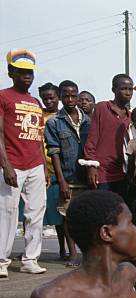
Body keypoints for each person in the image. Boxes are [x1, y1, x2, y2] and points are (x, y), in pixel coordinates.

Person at [0, 49, 48, 279]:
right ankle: (1, 261)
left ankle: (31, 259)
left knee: (35, 213)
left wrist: (45, 168)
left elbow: (38, 136)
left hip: (35, 165)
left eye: (29, 73)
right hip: (12, 163)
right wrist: (6, 165)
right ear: (11, 72)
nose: (27, 76)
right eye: (21, 72)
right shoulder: (3, 97)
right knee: (7, 213)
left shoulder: (35, 101)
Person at [45, 80, 91, 268]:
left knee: (89, 217)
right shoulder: (54, 122)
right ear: (61, 97)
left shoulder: (89, 120)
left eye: (74, 95)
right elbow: (54, 154)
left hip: (87, 177)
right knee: (68, 217)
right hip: (68, 177)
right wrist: (61, 181)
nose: (70, 99)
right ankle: (73, 254)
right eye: (66, 96)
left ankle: (88, 254)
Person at [83, 73, 133, 201]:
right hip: (102, 171)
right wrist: (91, 165)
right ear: (113, 90)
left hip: (121, 172)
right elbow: (92, 138)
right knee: (101, 210)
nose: (128, 92)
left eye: (130, 89)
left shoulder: (131, 117)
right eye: (123, 88)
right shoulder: (102, 108)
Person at [38, 82, 67, 260]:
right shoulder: (38, 116)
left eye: (52, 98)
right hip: (42, 170)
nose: (48, 101)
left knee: (61, 215)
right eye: (45, 98)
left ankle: (63, 249)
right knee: (34, 213)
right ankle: (31, 251)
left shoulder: (64, 117)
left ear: (58, 97)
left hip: (62, 171)